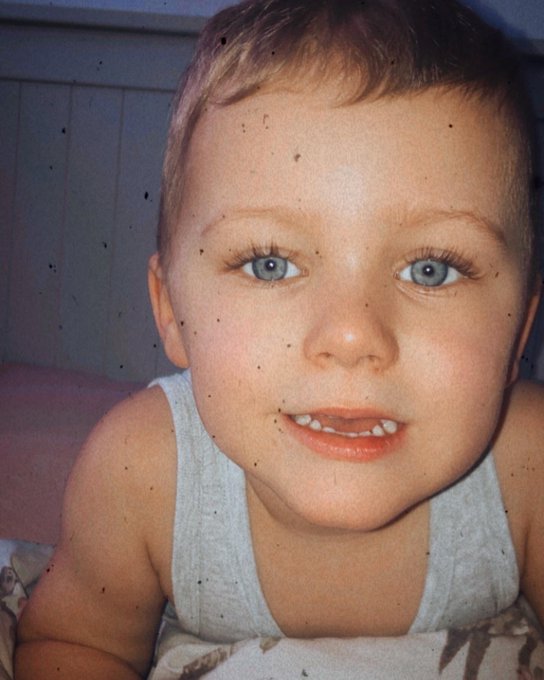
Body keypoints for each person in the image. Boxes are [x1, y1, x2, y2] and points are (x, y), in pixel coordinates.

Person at [14, 0, 544, 677]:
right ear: (171, 311)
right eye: (270, 263)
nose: (351, 336)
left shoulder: (527, 467)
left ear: (519, 330)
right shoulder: (141, 474)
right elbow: (74, 643)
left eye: (430, 270)